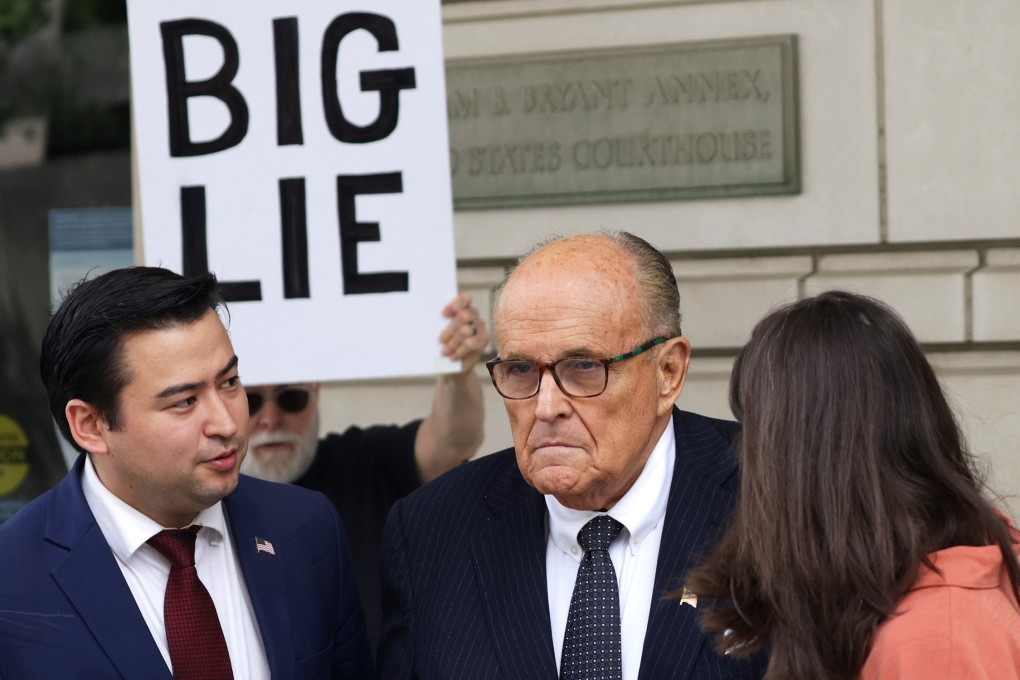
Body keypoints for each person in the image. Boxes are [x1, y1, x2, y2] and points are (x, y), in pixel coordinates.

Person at [377, 231, 767, 679]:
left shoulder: (772, 495)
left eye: (584, 367)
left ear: (668, 372)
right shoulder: (431, 531)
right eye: (520, 370)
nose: (545, 407)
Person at [0, 267, 374, 679]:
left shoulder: (305, 529)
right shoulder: (13, 577)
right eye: (184, 402)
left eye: (230, 382)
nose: (226, 423)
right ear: (90, 425)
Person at [683, 290, 1020, 679]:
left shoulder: (932, 640)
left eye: (754, 431)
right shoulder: (925, 583)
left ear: (797, 461)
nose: (744, 452)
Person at [240, 292, 488, 650]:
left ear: (316, 392)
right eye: (251, 401)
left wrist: (457, 370)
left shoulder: (365, 463)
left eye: (291, 398)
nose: (270, 418)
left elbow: (453, 441)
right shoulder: (202, 499)